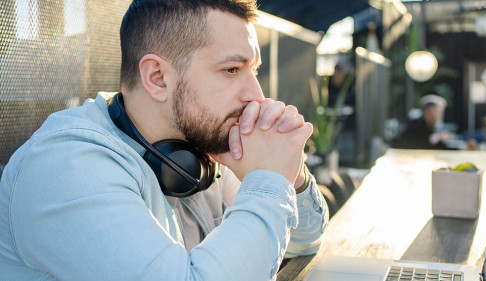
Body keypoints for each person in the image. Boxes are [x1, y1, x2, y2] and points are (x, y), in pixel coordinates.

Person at [0, 0, 328, 280]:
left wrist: (289, 176)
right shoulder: (65, 166)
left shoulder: (198, 147)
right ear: (157, 78)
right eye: (231, 69)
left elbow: (303, 240)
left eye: (252, 70)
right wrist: (268, 183)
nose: (256, 95)